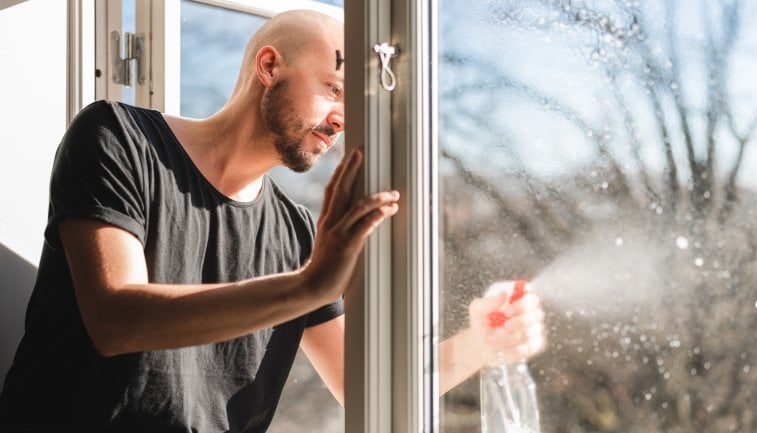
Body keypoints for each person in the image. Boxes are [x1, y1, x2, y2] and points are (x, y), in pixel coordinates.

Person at [0, 9, 545, 433]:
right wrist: (310, 284)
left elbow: (367, 391)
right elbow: (116, 321)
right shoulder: (119, 136)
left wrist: (482, 340)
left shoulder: (298, 233)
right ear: (269, 66)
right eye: (334, 89)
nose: (344, 117)